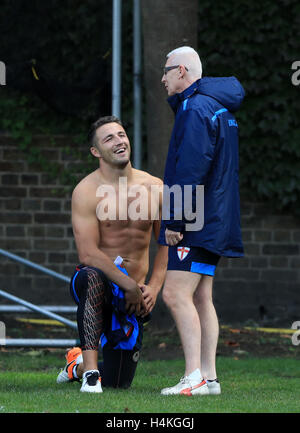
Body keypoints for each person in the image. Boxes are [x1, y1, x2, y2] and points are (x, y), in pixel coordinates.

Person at [57, 115, 168, 393]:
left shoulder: (155, 186)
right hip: (99, 282)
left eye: (121, 135)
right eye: (109, 138)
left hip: (133, 297)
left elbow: (167, 244)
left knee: (119, 383)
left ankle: (77, 363)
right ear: (96, 151)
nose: (119, 141)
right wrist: (127, 284)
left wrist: (152, 288)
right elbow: (88, 253)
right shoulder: (86, 191)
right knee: (92, 276)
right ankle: (91, 374)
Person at [158, 46, 245, 396]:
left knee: (175, 293)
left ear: (181, 71)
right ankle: (209, 379)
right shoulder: (218, 107)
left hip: (197, 221)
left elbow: (190, 170)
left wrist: (176, 221)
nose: (162, 78)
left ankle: (193, 376)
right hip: (215, 219)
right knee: (201, 297)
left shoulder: (195, 108)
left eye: (166, 71)